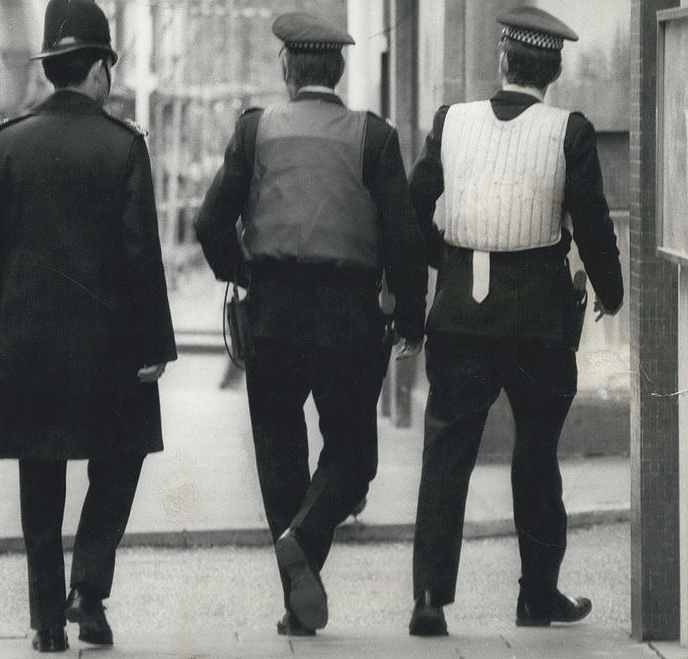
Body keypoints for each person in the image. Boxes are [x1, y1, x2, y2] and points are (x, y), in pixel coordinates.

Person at [195, 12, 427, 637]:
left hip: (271, 312)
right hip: (348, 315)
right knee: (352, 453)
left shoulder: (255, 130)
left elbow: (210, 223)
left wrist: (242, 274)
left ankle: (298, 592)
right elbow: (403, 237)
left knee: (278, 452)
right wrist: (410, 314)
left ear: (288, 68)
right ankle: (304, 558)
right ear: (340, 71)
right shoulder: (373, 137)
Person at [407, 6, 624, 637]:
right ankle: (538, 594)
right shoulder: (571, 131)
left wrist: (442, 264)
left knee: (446, 455)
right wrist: (609, 293)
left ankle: (429, 598)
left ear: (502, 61)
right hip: (540, 321)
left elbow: (416, 205)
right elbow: (592, 222)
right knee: (536, 455)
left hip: (461, 317)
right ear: (552, 72)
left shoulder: (451, 122)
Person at [0, 0, 176, 652]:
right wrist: (155, 345)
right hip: (110, 349)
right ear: (98, 73)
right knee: (121, 458)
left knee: (39, 475)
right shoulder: (122, 146)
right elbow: (142, 252)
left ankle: (47, 621)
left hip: (27, 346)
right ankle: (88, 586)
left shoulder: (3, 145)